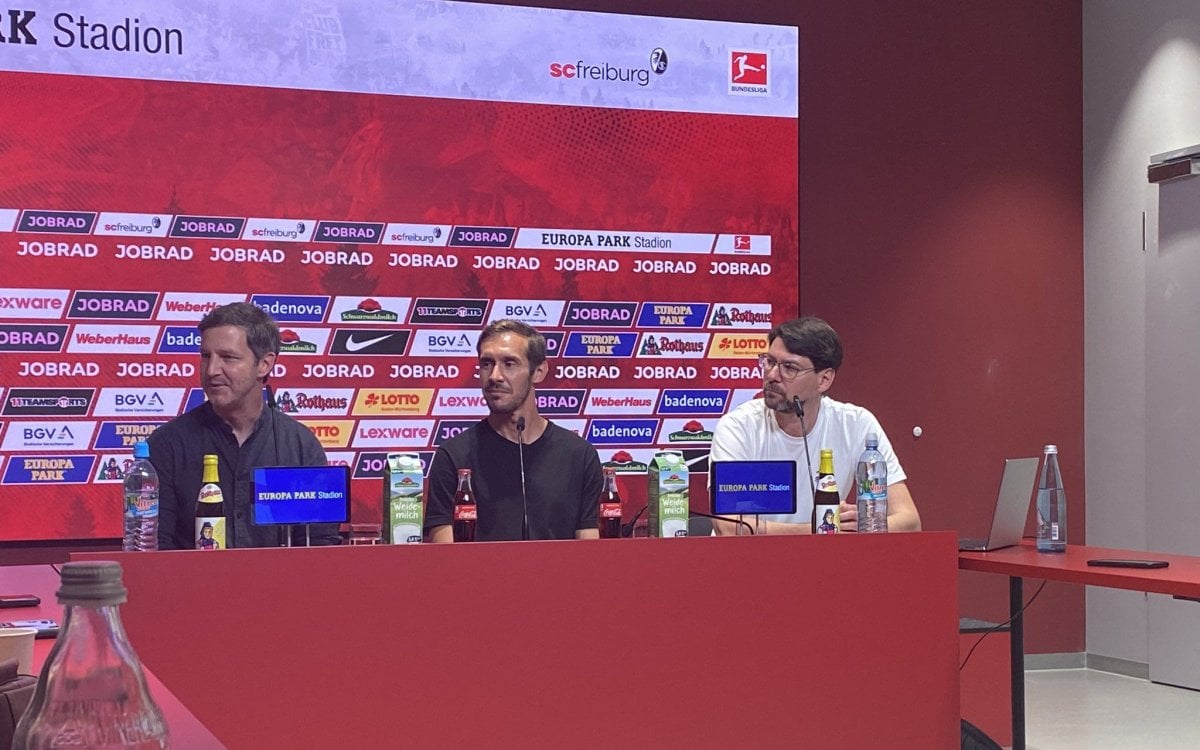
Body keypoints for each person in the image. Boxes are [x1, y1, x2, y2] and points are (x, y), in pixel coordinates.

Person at [148, 302, 339, 549]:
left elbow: (320, 546)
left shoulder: (300, 446)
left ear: (264, 364)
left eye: (228, 357)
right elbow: (155, 549)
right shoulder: (167, 445)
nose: (212, 370)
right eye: (205, 356)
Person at [709, 317, 920, 534]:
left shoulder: (856, 424)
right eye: (769, 362)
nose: (771, 375)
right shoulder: (738, 427)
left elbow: (910, 521)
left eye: (789, 368)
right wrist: (819, 530)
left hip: (823, 553)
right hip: (748, 555)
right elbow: (728, 526)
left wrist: (863, 527)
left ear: (824, 380)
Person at [424, 319, 603, 541]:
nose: (495, 376)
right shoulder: (454, 456)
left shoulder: (579, 456)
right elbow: (444, 554)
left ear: (539, 372)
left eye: (509, 364)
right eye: (487, 364)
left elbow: (589, 551)